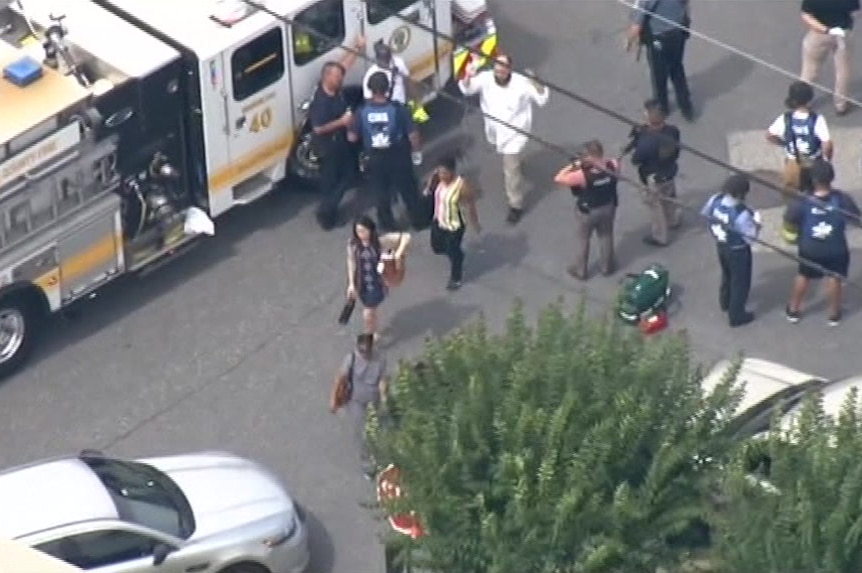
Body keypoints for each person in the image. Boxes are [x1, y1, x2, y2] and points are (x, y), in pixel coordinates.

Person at [457, 54, 549, 225]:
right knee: (511, 163)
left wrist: (535, 81)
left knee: (511, 172)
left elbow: (542, 98)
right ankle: (517, 165)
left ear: (509, 70)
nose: (499, 74)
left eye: (503, 70)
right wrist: (469, 74)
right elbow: (467, 89)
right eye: (497, 70)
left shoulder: (521, 83)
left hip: (515, 134)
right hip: (495, 129)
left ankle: (515, 205)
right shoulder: (485, 79)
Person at [784, 159, 860, 325]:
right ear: (831, 178)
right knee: (834, 277)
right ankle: (834, 314)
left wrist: (793, 238)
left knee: (804, 275)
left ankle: (793, 309)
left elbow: (789, 221)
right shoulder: (842, 200)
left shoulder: (802, 202)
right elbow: (857, 219)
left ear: (813, 179)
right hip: (835, 248)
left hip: (810, 248)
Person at [349, 72, 422, 232]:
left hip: (375, 157)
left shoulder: (361, 111)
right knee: (408, 189)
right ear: (388, 88)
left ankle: (387, 225)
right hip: (398, 155)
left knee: (380, 193)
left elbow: (352, 137)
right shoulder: (398, 109)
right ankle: (418, 220)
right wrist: (416, 152)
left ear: (370, 89)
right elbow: (413, 134)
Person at [309, 36, 366, 230]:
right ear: (327, 78)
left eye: (340, 77)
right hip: (328, 147)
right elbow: (318, 128)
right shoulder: (321, 101)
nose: (340, 79)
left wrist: (356, 49)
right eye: (336, 77)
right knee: (334, 182)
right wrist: (341, 122)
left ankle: (331, 204)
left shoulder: (334, 87)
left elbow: (343, 65)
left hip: (340, 141)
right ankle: (326, 214)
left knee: (349, 173)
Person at [701, 174, 762, 328]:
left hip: (721, 244)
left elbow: (705, 214)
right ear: (742, 193)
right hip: (738, 250)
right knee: (740, 282)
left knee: (726, 274)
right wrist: (757, 223)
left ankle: (725, 301)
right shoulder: (742, 214)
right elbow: (751, 238)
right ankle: (736, 315)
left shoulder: (715, 200)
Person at [554, 140, 620, 280]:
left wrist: (574, 165)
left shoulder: (582, 175)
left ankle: (580, 271)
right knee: (606, 236)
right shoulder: (613, 165)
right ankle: (607, 267)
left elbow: (559, 178)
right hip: (608, 206)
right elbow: (613, 168)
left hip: (588, 211)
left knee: (583, 240)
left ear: (590, 156)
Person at [331, 333, 389, 479]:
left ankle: (382, 457)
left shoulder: (380, 360)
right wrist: (334, 400)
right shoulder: (351, 358)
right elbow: (341, 378)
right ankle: (368, 465)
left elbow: (382, 380)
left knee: (378, 429)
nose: (363, 353)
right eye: (360, 350)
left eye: (365, 351)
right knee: (363, 433)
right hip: (356, 402)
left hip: (373, 401)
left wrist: (384, 398)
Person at [627, 0, 694, 121]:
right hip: (678, 31)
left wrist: (629, 41)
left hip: (658, 36)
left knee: (659, 75)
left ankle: (662, 108)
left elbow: (637, 25)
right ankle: (686, 107)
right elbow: (686, 4)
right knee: (677, 68)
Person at [346, 215, 412, 338]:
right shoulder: (353, 245)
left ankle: (369, 335)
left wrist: (398, 254)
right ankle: (373, 330)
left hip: (377, 284)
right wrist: (351, 283)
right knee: (371, 310)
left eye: (363, 231)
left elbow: (406, 237)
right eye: (358, 231)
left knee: (368, 311)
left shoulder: (381, 241)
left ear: (371, 230)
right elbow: (351, 262)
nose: (361, 234)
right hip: (362, 283)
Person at [766, 81, 833, 198]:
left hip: (793, 162)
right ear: (809, 99)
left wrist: (784, 144)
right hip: (813, 163)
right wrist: (826, 159)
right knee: (816, 192)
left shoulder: (785, 118)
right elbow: (827, 143)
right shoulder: (817, 119)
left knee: (793, 192)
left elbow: (769, 135)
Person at [631, 99, 682, 246]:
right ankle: (673, 220)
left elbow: (636, 160)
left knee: (655, 206)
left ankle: (661, 236)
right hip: (670, 171)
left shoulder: (646, 142)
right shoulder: (672, 131)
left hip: (653, 177)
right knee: (670, 196)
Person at [426, 155, 481, 290]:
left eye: (445, 172)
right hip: (438, 220)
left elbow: (470, 204)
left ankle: (456, 277)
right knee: (437, 247)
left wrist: (475, 222)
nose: (442, 175)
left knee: (453, 252)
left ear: (452, 171)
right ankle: (456, 253)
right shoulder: (437, 178)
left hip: (454, 226)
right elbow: (430, 188)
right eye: (439, 172)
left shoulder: (461, 185)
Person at [800, 0, 859, 115]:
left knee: (810, 70)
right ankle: (840, 105)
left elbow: (806, 15)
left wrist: (826, 30)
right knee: (843, 71)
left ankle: (802, 102)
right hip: (843, 33)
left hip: (819, 34)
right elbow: (855, 12)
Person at [363, 41, 429, 123]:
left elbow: (407, 82)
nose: (387, 62)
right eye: (383, 59)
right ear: (377, 58)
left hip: (401, 105)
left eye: (388, 58)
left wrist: (416, 104)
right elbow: (368, 100)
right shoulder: (371, 74)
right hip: (386, 111)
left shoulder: (398, 62)